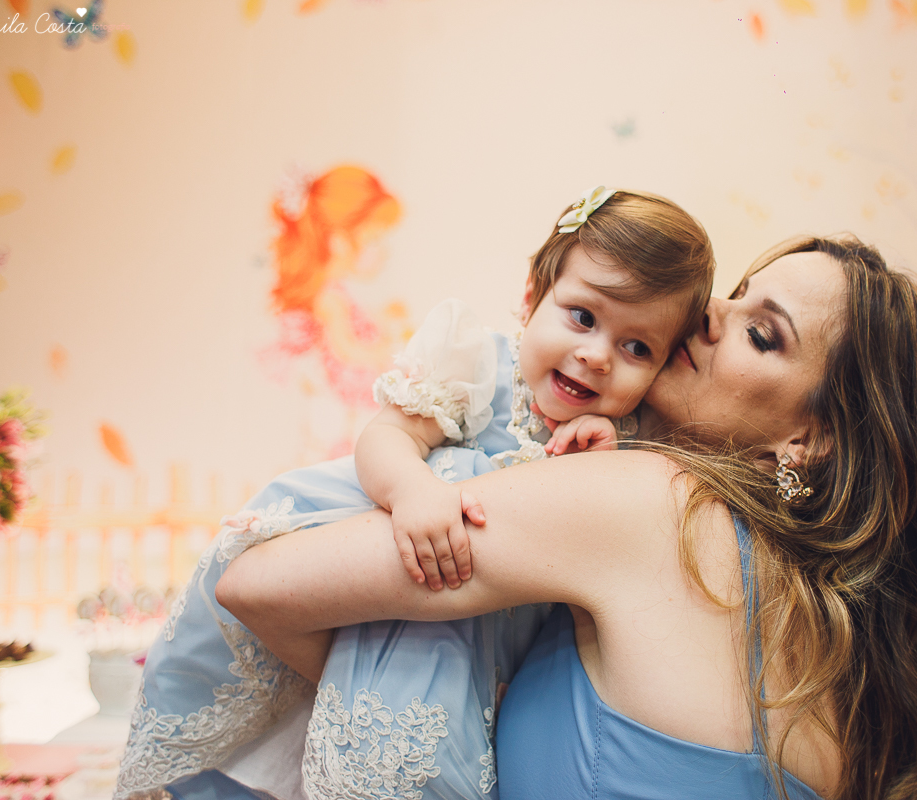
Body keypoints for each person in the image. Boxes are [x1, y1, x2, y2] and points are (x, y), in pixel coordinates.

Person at [219, 234, 917, 800]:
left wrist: (420, 708)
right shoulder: (864, 672)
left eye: (762, 332)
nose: (711, 312)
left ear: (808, 442)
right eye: (738, 292)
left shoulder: (657, 505)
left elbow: (259, 583)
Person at [113, 187, 715, 800]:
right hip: (391, 576)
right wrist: (412, 488)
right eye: (583, 317)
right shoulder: (478, 365)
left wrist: (598, 461)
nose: (596, 356)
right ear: (533, 296)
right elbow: (385, 438)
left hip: (481, 646)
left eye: (636, 347)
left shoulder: (625, 442)